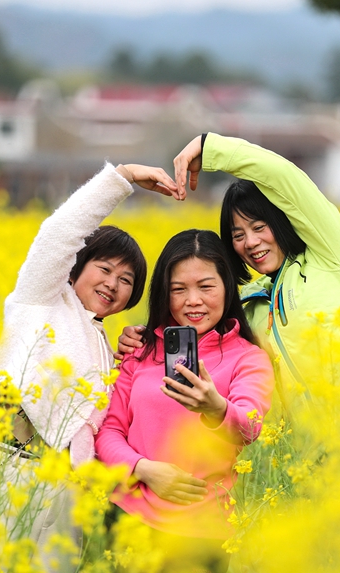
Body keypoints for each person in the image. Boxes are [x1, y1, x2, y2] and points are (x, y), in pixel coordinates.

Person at [0, 162, 177, 570]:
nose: (113, 284)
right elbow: (58, 234)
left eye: (127, 281)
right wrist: (120, 178)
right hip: (14, 470)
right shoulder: (41, 299)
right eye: (104, 269)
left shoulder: (102, 341)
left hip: (67, 488)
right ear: (76, 267)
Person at [118, 133, 340, 410]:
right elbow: (205, 338)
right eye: (238, 235)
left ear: (282, 221)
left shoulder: (330, 255)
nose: (250, 242)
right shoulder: (250, 303)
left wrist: (209, 147)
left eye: (259, 228)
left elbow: (284, 177)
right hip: (314, 446)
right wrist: (145, 338)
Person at [95, 229, 274, 572]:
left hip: (202, 535)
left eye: (206, 287)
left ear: (226, 288)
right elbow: (109, 431)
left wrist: (215, 408)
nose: (193, 300)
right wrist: (144, 470)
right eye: (179, 289)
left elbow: (250, 425)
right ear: (165, 293)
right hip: (129, 520)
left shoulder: (248, 358)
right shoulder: (140, 350)